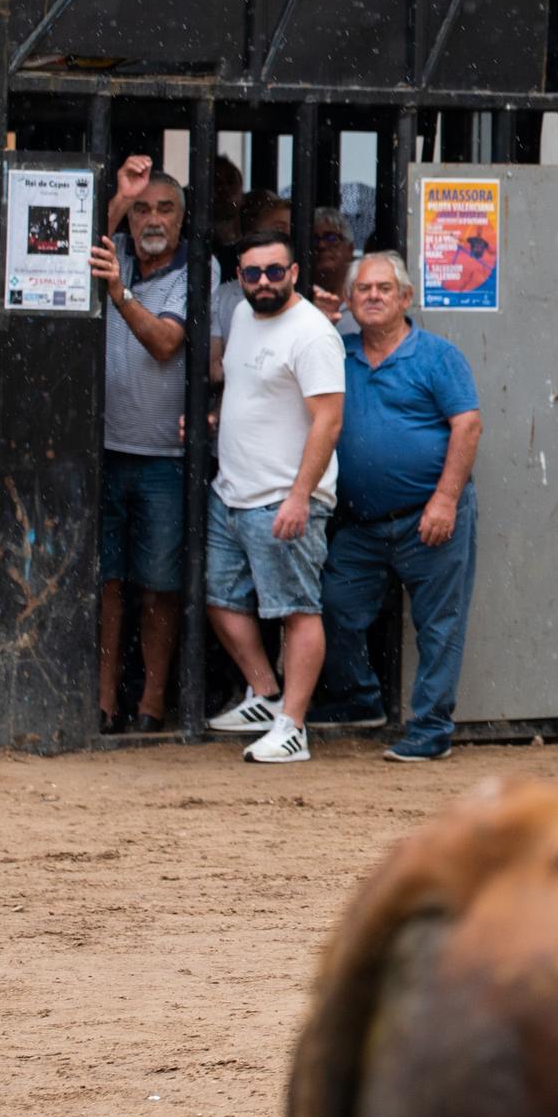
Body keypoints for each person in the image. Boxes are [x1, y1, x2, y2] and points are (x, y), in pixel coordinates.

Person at [313, 252, 482, 763]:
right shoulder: (335, 353)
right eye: (362, 289)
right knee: (334, 606)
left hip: (429, 515)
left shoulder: (437, 356)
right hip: (362, 523)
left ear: (406, 298)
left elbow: (467, 426)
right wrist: (313, 326)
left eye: (384, 288)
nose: (373, 296)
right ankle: (360, 699)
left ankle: (430, 731)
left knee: (439, 626)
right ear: (348, 301)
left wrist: (445, 501)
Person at [87, 157, 219, 734]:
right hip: (101, 451)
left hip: (166, 457)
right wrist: (117, 195)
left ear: (184, 218)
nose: (152, 218)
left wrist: (119, 294)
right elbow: (81, 234)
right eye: (142, 209)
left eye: (165, 208)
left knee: (161, 587)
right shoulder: (111, 251)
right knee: (106, 584)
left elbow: (166, 343)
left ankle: (152, 705)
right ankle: (102, 702)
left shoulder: (198, 268)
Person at [204, 230, 346, 763]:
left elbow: (328, 419)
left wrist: (300, 496)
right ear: (238, 277)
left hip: (285, 498)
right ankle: (264, 695)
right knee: (221, 599)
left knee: (297, 612)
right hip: (233, 492)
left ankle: (292, 726)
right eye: (251, 273)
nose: (263, 281)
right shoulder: (242, 316)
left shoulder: (311, 333)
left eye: (273, 271)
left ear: (293, 273)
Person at [211, 191, 291, 381]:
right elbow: (214, 370)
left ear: (294, 273)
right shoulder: (225, 297)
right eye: (279, 229)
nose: (287, 236)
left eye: (292, 229)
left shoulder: (307, 305)